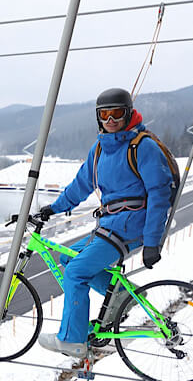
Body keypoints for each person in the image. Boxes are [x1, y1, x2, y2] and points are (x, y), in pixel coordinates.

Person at [36, 87, 174, 358]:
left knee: (76, 272)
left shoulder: (142, 147)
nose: (110, 120)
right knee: (66, 260)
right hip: (111, 224)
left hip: (131, 225)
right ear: (98, 117)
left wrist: (152, 241)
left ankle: (72, 340)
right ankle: (121, 295)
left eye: (117, 113)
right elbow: (80, 186)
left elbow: (159, 194)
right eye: (104, 114)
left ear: (129, 113)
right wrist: (54, 208)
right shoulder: (100, 149)